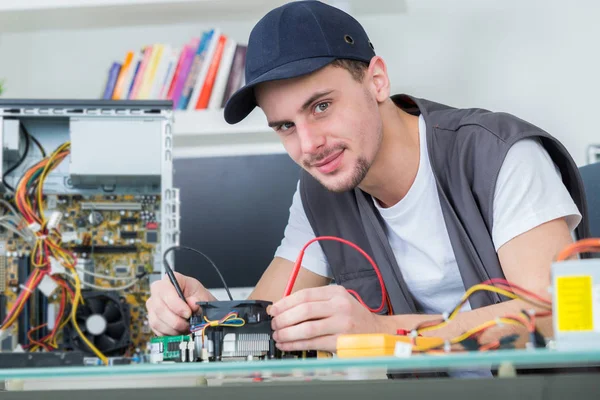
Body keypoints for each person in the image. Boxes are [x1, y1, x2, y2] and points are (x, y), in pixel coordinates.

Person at [146, 0, 589, 360]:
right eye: (284, 126)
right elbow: (269, 321)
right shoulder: (320, 194)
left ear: (376, 80)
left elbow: (554, 315)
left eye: (321, 106)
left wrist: (382, 331)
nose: (309, 145)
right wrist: (205, 316)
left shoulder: (499, 154)